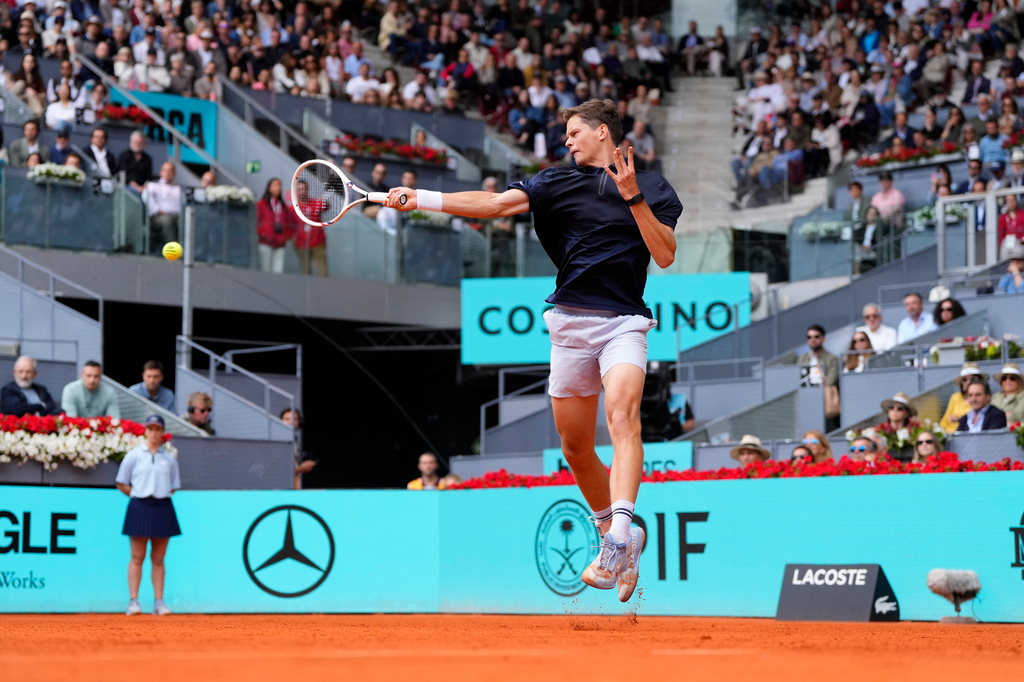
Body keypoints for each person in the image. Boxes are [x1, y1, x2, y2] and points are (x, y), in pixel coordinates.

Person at [382, 98, 682, 603]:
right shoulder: (552, 182)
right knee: (575, 447)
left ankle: (616, 539)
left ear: (603, 132)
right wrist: (423, 198)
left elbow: (666, 254)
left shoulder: (652, 187)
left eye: (574, 132)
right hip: (568, 324)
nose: (566, 140)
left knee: (623, 418)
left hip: (624, 323)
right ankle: (623, 535)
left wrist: (633, 197)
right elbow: (494, 205)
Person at [116, 414, 180, 617]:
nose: (153, 433)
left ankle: (159, 603)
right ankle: (133, 602)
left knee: (158, 559)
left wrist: (157, 494)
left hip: (163, 507)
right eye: (150, 428)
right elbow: (121, 483)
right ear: (145, 431)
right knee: (137, 557)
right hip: (139, 506)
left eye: (157, 429)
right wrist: (138, 494)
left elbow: (172, 486)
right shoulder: (134, 455)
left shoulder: (169, 459)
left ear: (162, 432)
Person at [256, 177, 295, 273]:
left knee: (278, 270)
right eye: (275, 185)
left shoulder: (284, 207)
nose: (278, 188)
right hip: (266, 242)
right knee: (265, 269)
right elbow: (256, 221)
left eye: (279, 185)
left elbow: (289, 224)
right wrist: (263, 233)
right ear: (269, 187)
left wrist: (285, 237)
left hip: (280, 243)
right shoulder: (261, 204)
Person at [143, 162, 182, 254]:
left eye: (170, 170)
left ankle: (188, 252)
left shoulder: (178, 189)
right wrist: (158, 211)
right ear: (161, 172)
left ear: (174, 174)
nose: (167, 173)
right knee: (167, 220)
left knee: (187, 222)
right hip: (157, 217)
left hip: (177, 216)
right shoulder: (153, 185)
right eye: (165, 170)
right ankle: (173, 252)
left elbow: (182, 204)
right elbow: (146, 197)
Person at [292, 179, 328, 277]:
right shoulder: (293, 207)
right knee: (305, 273)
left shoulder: (315, 203)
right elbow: (290, 226)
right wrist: (294, 241)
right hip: (301, 244)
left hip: (318, 243)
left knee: (323, 272)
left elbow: (326, 206)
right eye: (300, 189)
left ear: (307, 190)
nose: (302, 191)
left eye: (304, 189)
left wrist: (324, 199)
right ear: (296, 191)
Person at [941, 362, 989, 432]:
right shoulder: (955, 397)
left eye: (973, 379)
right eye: (964, 380)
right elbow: (944, 422)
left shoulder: (983, 399)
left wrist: (959, 420)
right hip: (950, 435)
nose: (968, 382)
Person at [280, 407, 316, 485]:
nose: (291, 422)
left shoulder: (294, 439)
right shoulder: (278, 441)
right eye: (287, 419)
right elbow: (278, 470)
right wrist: (301, 468)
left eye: (294, 419)